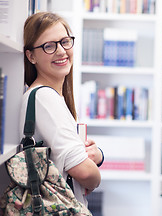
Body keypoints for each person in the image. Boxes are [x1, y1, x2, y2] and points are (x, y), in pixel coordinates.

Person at [20, 12, 103, 207]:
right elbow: (85, 172)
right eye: (49, 46)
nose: (61, 51)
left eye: (65, 41)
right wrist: (95, 177)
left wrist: (96, 156)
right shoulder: (45, 97)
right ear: (31, 56)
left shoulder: (50, 96)